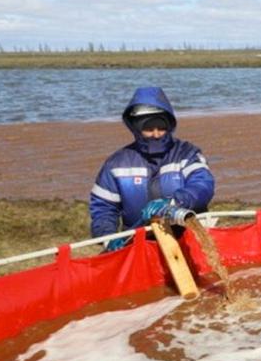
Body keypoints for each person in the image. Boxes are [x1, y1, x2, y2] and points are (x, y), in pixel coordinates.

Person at [90, 87, 215, 250]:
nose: (156, 134)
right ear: (135, 128)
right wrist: (109, 238)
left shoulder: (187, 154)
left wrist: (174, 202)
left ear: (170, 125)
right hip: (138, 245)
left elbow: (202, 185)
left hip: (188, 239)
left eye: (161, 127)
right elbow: (104, 208)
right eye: (149, 128)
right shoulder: (116, 164)